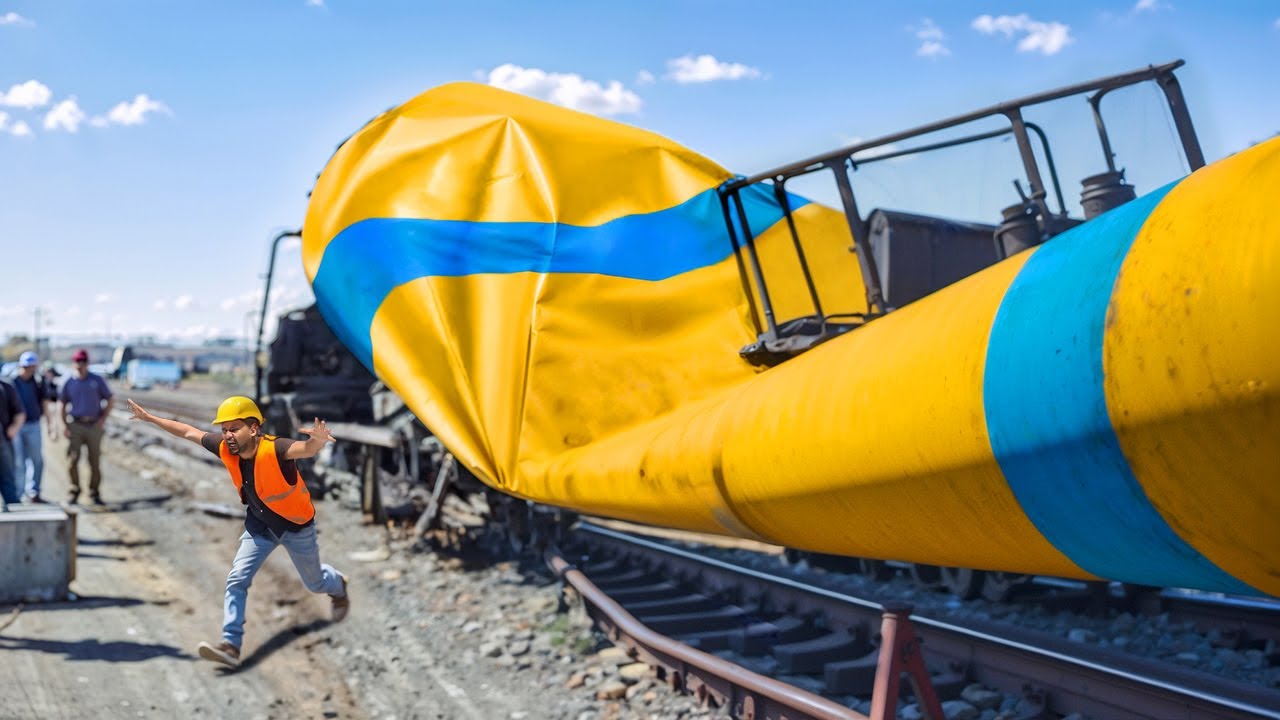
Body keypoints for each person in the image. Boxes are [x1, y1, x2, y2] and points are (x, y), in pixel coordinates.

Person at [125, 395, 350, 668]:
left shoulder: (275, 448)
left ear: (253, 428)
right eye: (224, 429)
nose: (227, 435)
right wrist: (150, 418)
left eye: (234, 429)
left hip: (296, 527)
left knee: (316, 584)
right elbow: (187, 431)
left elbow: (304, 450)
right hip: (261, 526)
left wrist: (317, 441)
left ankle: (338, 584)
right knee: (236, 579)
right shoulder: (225, 448)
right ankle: (230, 645)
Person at [59, 348, 114, 505]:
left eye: (83, 361)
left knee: (94, 461)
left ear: (87, 363)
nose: (80, 364)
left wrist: (102, 419)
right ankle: (74, 490)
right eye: (78, 361)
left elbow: (110, 399)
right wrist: (64, 425)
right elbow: (62, 404)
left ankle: (94, 492)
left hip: (93, 425)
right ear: (73, 362)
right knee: (72, 459)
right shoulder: (68, 381)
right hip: (75, 424)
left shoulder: (96, 380)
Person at [11, 351, 54, 502]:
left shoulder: (38, 382)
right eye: (27, 367)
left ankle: (33, 492)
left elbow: (45, 404)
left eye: (32, 367)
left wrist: (50, 425)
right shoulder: (12, 382)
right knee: (19, 461)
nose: (29, 370)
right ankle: (18, 494)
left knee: (37, 460)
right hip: (16, 427)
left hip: (33, 424)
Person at [0, 375, 26, 511]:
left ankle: (14, 509)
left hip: (3, 439)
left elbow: (20, 412)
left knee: (7, 476)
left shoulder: (5, 386)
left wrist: (13, 428)